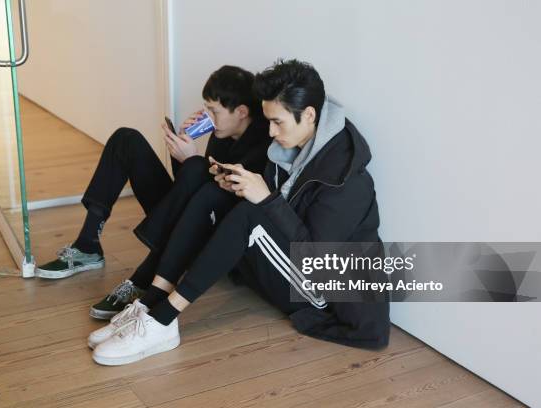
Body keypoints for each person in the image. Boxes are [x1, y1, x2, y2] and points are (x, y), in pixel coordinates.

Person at [88, 59, 391, 367]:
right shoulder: (294, 147)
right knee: (215, 194)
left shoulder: (346, 178)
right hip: (292, 264)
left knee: (250, 215)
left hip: (327, 294)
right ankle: (152, 299)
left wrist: (267, 199)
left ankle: (164, 321)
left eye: (278, 122)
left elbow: (315, 255)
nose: (270, 131)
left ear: (309, 115)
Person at [36, 65, 271, 321]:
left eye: (213, 110)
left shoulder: (264, 145)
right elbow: (189, 189)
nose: (208, 116)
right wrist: (181, 153)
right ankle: (87, 244)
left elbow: (219, 202)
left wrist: (192, 162)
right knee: (126, 139)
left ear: (241, 112)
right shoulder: (221, 134)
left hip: (216, 237)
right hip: (185, 220)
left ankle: (144, 278)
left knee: (196, 167)